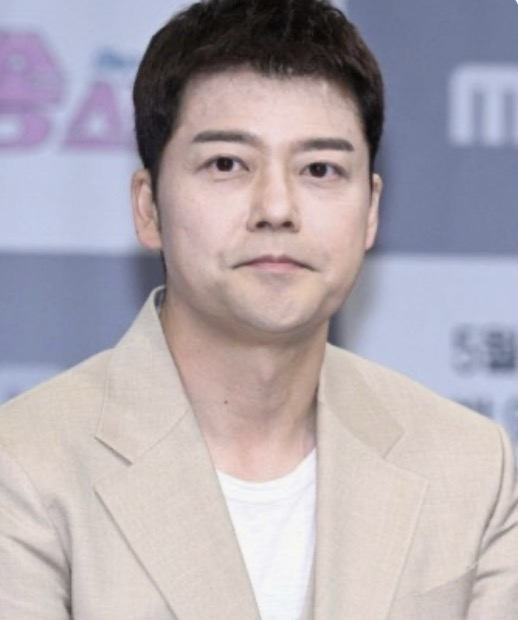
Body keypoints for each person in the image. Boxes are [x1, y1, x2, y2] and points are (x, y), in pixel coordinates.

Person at [0, 0, 517, 618]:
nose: (276, 208)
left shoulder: (470, 467)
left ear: (371, 210)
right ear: (148, 206)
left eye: (320, 169)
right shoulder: (25, 465)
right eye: (227, 164)